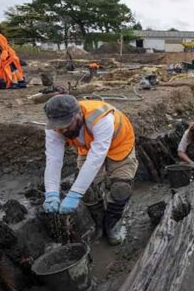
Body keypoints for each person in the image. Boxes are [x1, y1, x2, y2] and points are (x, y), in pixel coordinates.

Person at [42, 95, 138, 245]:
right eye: (60, 126)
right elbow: (53, 160)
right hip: (88, 148)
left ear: (78, 113)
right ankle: (99, 224)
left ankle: (111, 224)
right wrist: (51, 193)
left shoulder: (101, 119)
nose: (64, 129)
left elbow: (96, 158)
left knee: (121, 189)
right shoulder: (54, 127)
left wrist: (74, 194)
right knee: (88, 192)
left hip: (120, 144)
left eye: (67, 124)